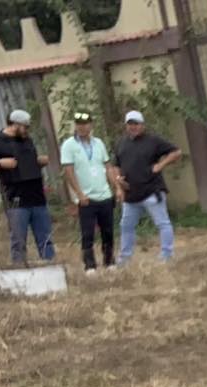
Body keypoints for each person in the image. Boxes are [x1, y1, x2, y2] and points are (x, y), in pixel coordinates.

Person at [0, 109, 55, 267]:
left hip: (37, 196)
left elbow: (26, 162)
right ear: (15, 125)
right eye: (25, 127)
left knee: (45, 238)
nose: (27, 131)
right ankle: (19, 268)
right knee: (19, 240)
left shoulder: (27, 140)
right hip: (15, 198)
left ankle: (51, 267)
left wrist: (38, 161)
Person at [110, 110, 180, 265]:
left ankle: (167, 255)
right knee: (126, 226)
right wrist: (118, 182)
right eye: (130, 124)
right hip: (131, 194)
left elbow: (176, 152)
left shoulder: (153, 141)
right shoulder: (121, 143)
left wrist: (160, 165)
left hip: (152, 191)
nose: (133, 127)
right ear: (126, 126)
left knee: (162, 223)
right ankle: (125, 258)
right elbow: (115, 166)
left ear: (142, 125)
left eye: (136, 124)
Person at [59, 112, 115, 274]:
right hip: (86, 197)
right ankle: (90, 265)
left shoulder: (98, 143)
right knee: (88, 232)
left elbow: (108, 166)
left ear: (91, 125)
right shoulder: (69, 145)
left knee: (108, 231)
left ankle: (109, 261)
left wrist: (116, 187)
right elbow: (69, 171)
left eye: (85, 124)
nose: (82, 127)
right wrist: (79, 194)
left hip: (104, 194)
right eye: (79, 124)